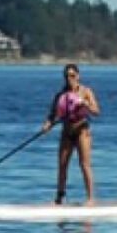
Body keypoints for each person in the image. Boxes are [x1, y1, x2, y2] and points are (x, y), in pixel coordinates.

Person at [40, 63, 101, 204]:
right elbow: (52, 115)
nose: (70, 79)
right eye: (67, 76)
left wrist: (86, 104)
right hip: (66, 132)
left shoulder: (86, 92)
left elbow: (97, 111)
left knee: (84, 164)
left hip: (82, 131)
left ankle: (91, 199)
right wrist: (47, 125)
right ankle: (59, 198)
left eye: (73, 76)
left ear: (78, 76)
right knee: (62, 165)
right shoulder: (60, 95)